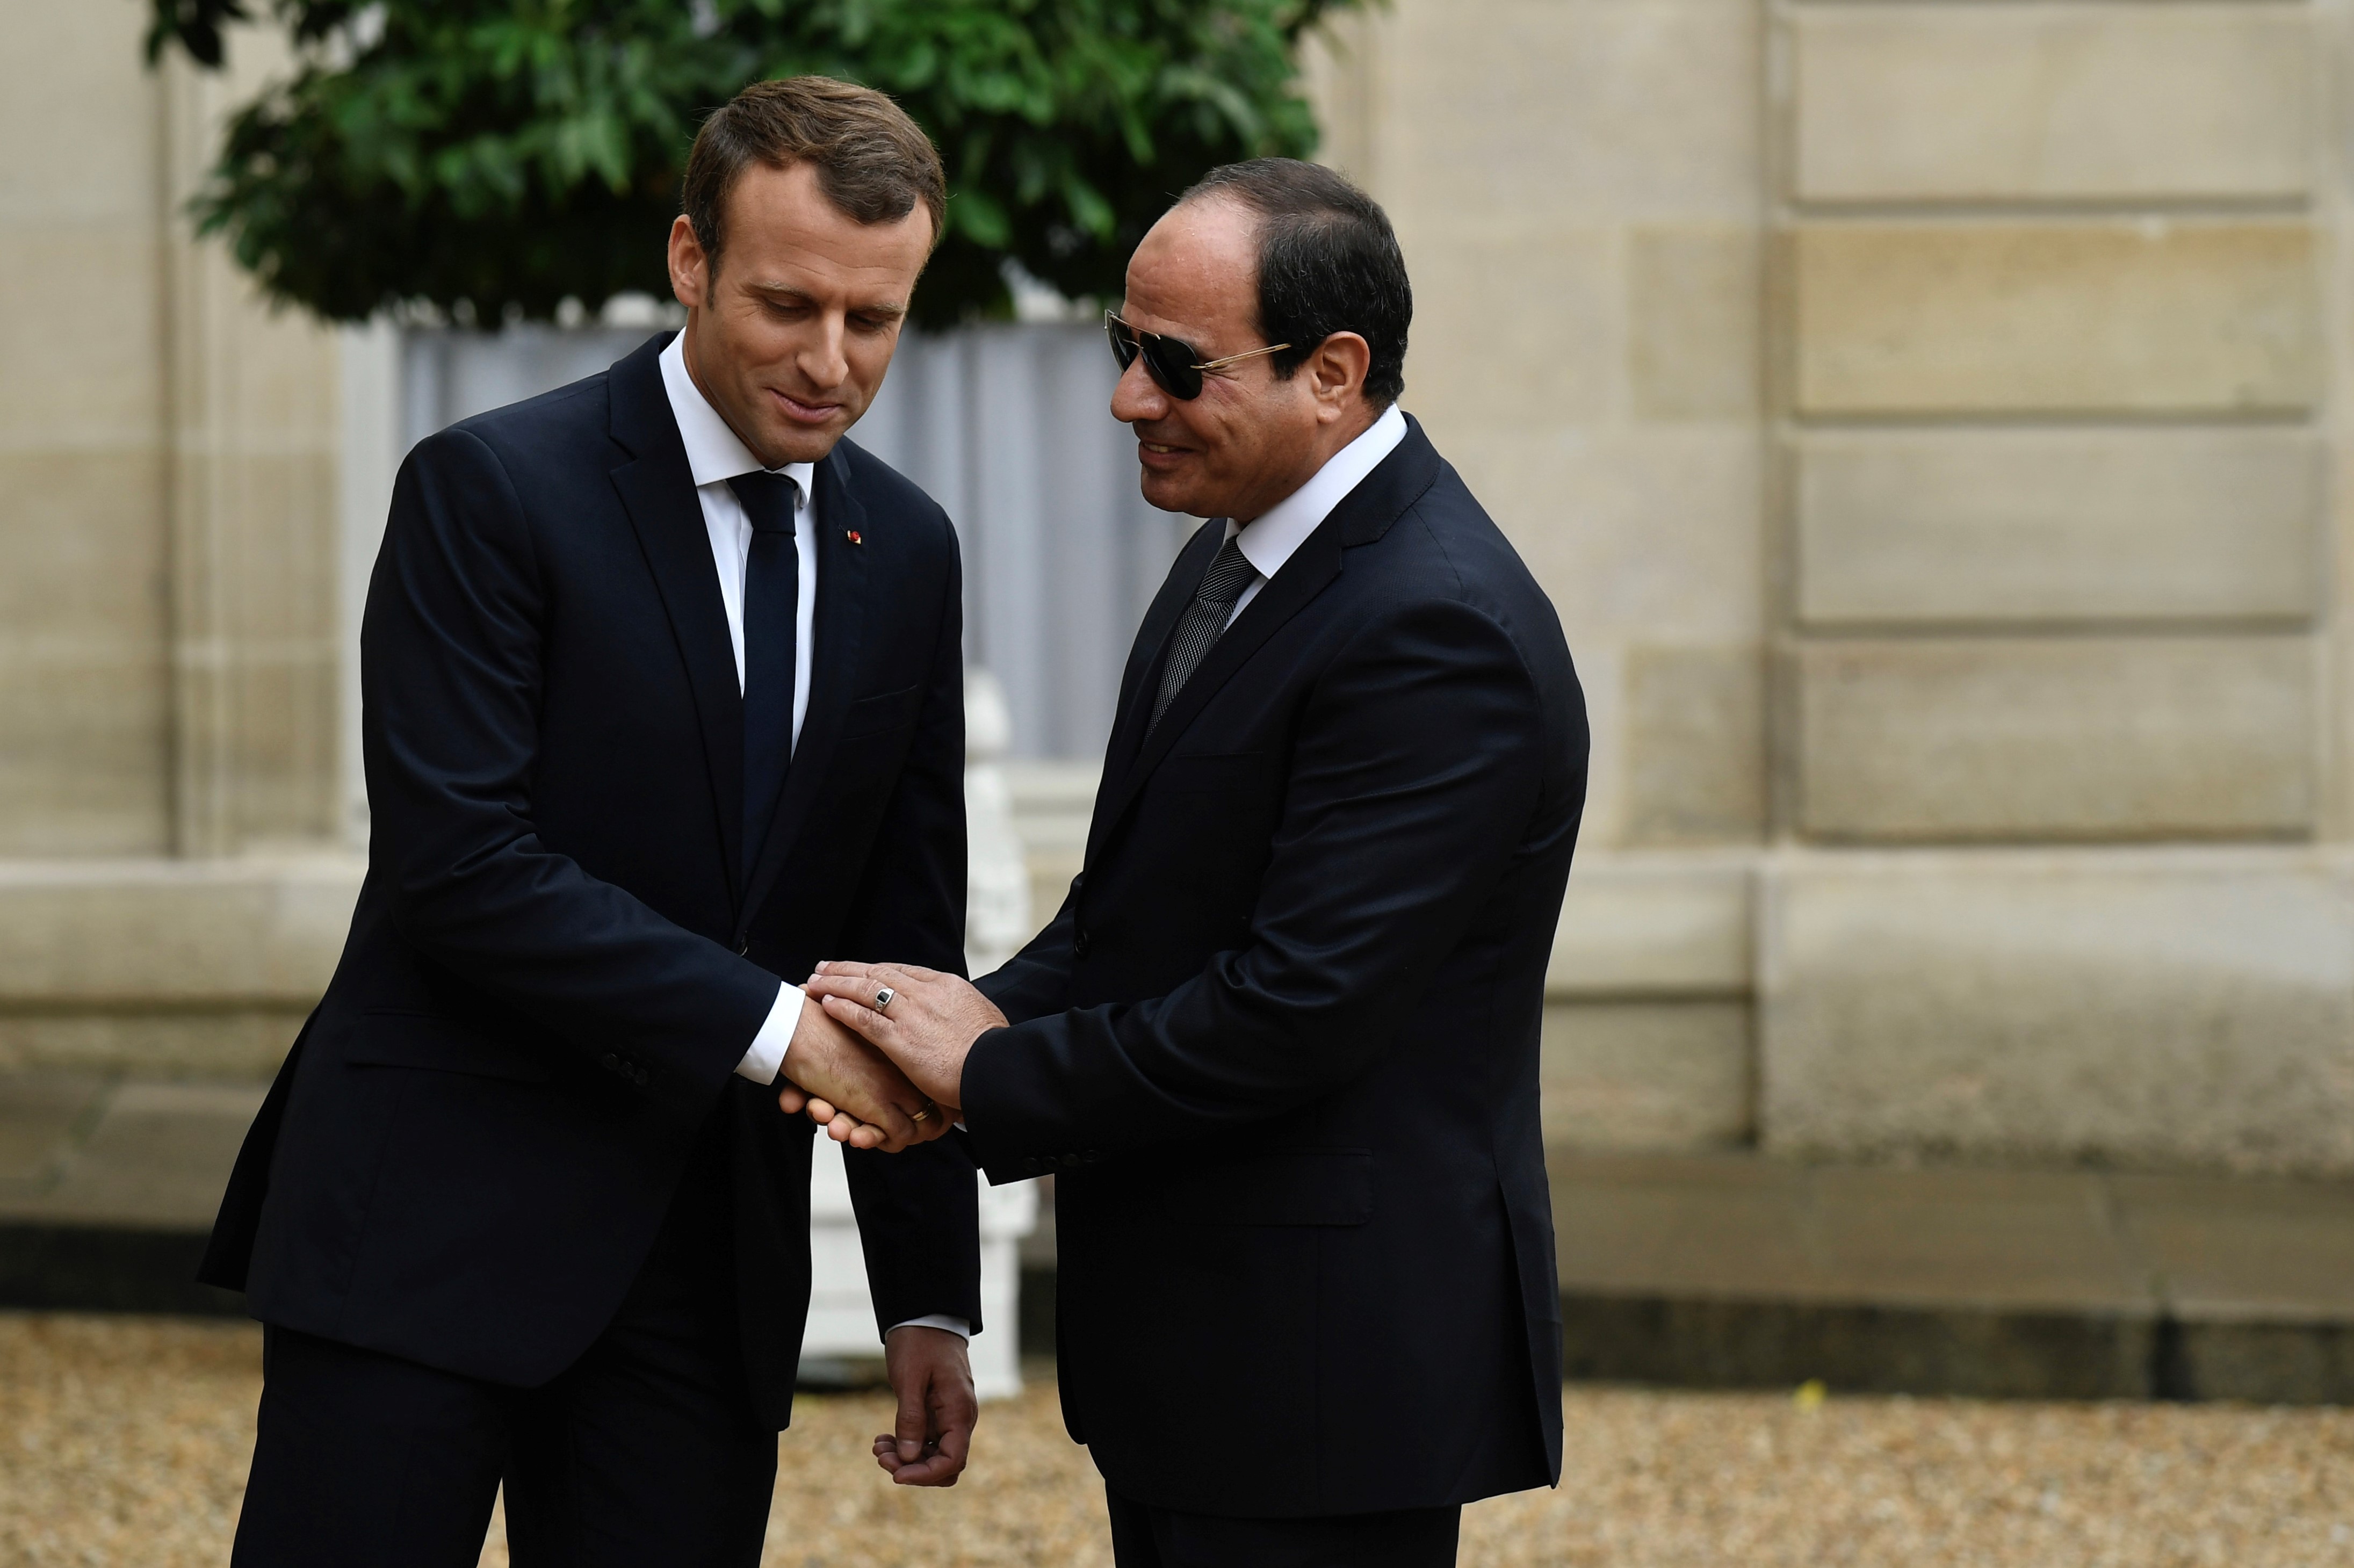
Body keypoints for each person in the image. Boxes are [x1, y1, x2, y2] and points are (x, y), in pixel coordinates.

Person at [203, 77, 983, 1568]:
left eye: (874, 321)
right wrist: (780, 1033)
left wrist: (924, 1294)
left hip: (709, 1273)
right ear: (689, 260)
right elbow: (462, 868)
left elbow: (903, 927)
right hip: (426, 1230)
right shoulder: (492, 489)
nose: (831, 363)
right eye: (788, 304)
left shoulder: (912, 550)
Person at [798, 158, 1589, 1567]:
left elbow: (1296, 1012)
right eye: (1123, 347)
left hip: (1324, 1378)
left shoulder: (1435, 630)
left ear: (1332, 374)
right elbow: (1134, 915)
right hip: (1210, 1349)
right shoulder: (1248, 548)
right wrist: (935, 1026)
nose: (1126, 399)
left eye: (1176, 363)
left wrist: (980, 1078)